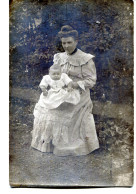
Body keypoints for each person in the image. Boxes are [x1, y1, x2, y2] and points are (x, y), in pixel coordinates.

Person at [31, 25, 99, 156]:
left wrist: (75, 84)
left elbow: (91, 81)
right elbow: (54, 75)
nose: (66, 46)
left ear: (76, 42)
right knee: (47, 106)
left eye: (69, 42)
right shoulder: (58, 57)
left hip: (79, 93)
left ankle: (71, 146)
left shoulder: (86, 59)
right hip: (61, 91)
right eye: (64, 43)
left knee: (66, 108)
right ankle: (49, 144)